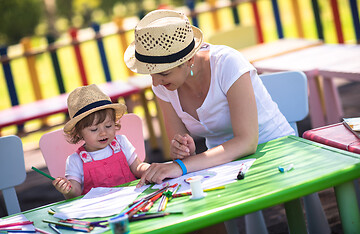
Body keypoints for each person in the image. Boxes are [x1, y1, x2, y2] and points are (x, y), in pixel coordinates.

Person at [124, 9, 294, 186]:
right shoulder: (164, 85)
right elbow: (180, 146)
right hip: (223, 167)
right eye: (150, 73)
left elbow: (247, 142)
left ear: (189, 60)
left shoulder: (227, 64)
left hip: (275, 152)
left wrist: (182, 166)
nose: (156, 82)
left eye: (164, 73)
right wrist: (182, 150)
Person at [52, 84, 150, 199]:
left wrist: (148, 169)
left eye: (108, 126)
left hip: (132, 199)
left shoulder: (121, 142)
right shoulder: (75, 160)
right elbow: (75, 192)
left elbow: (137, 167)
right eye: (94, 129)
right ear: (78, 133)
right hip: (99, 211)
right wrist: (67, 189)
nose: (103, 133)